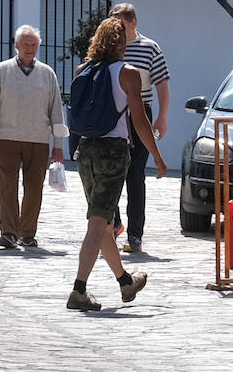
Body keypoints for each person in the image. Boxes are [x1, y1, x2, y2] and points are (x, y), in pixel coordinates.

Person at [68, 18, 166, 311]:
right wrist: (158, 157)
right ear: (121, 42)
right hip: (112, 151)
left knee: (105, 222)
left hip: (84, 150)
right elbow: (139, 120)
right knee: (98, 222)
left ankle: (125, 282)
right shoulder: (128, 73)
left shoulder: (82, 71)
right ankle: (79, 290)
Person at [0, 25, 67, 250]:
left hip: (38, 141)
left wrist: (58, 146)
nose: (30, 49)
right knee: (7, 187)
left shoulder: (47, 74)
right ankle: (8, 232)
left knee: (34, 188)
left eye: (34, 45)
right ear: (17, 45)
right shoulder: (1, 71)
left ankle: (28, 233)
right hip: (8, 139)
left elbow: (56, 112)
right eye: (26, 44)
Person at [109, 2, 170, 254]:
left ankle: (135, 234)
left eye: (121, 24)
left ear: (133, 23)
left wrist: (162, 117)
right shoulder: (109, 48)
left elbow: (162, 84)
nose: (117, 29)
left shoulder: (149, 48)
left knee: (135, 175)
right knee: (110, 173)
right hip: (112, 114)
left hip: (140, 113)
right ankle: (115, 223)